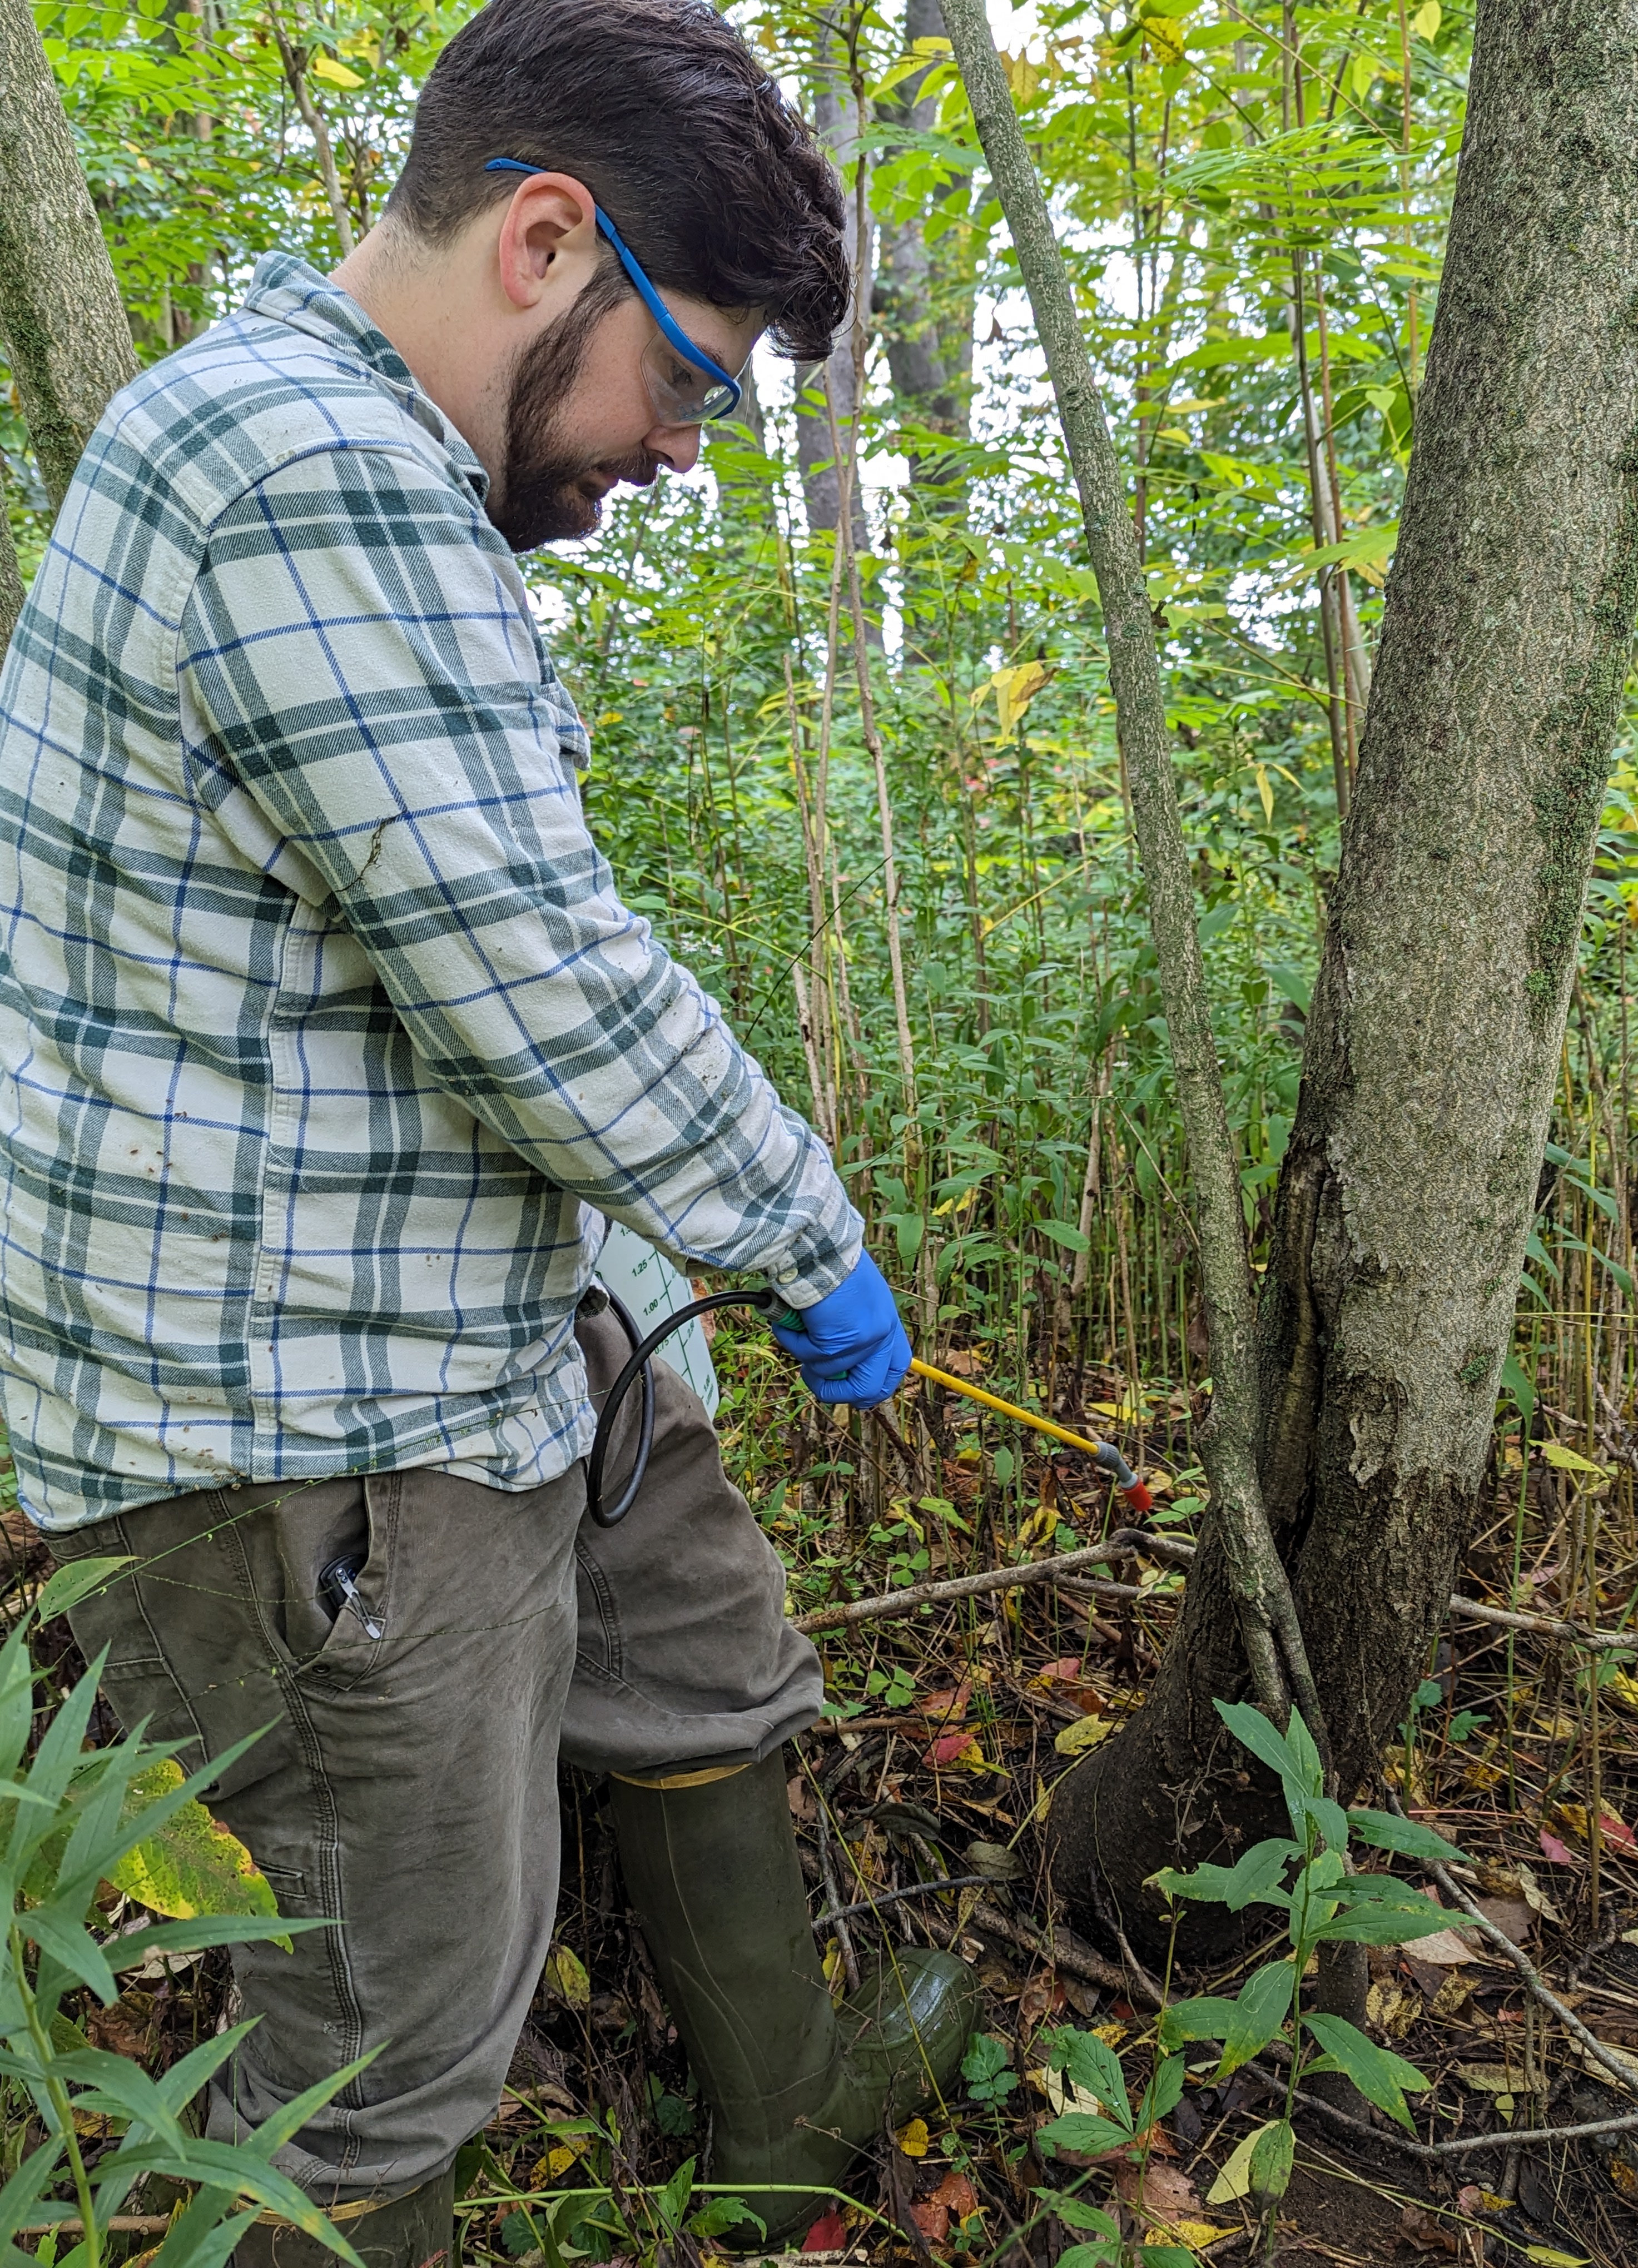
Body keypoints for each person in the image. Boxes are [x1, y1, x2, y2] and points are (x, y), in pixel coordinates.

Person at [0, 2, 979, 2259]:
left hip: (451, 1347)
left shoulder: (344, 461)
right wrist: (794, 1226)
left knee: (702, 1647)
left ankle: (782, 2114)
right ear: (553, 241)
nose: (684, 450)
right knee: (377, 2056)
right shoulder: (302, 468)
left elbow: (420, 971)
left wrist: (674, 1287)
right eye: (696, 382)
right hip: (305, 1444)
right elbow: (532, 968)